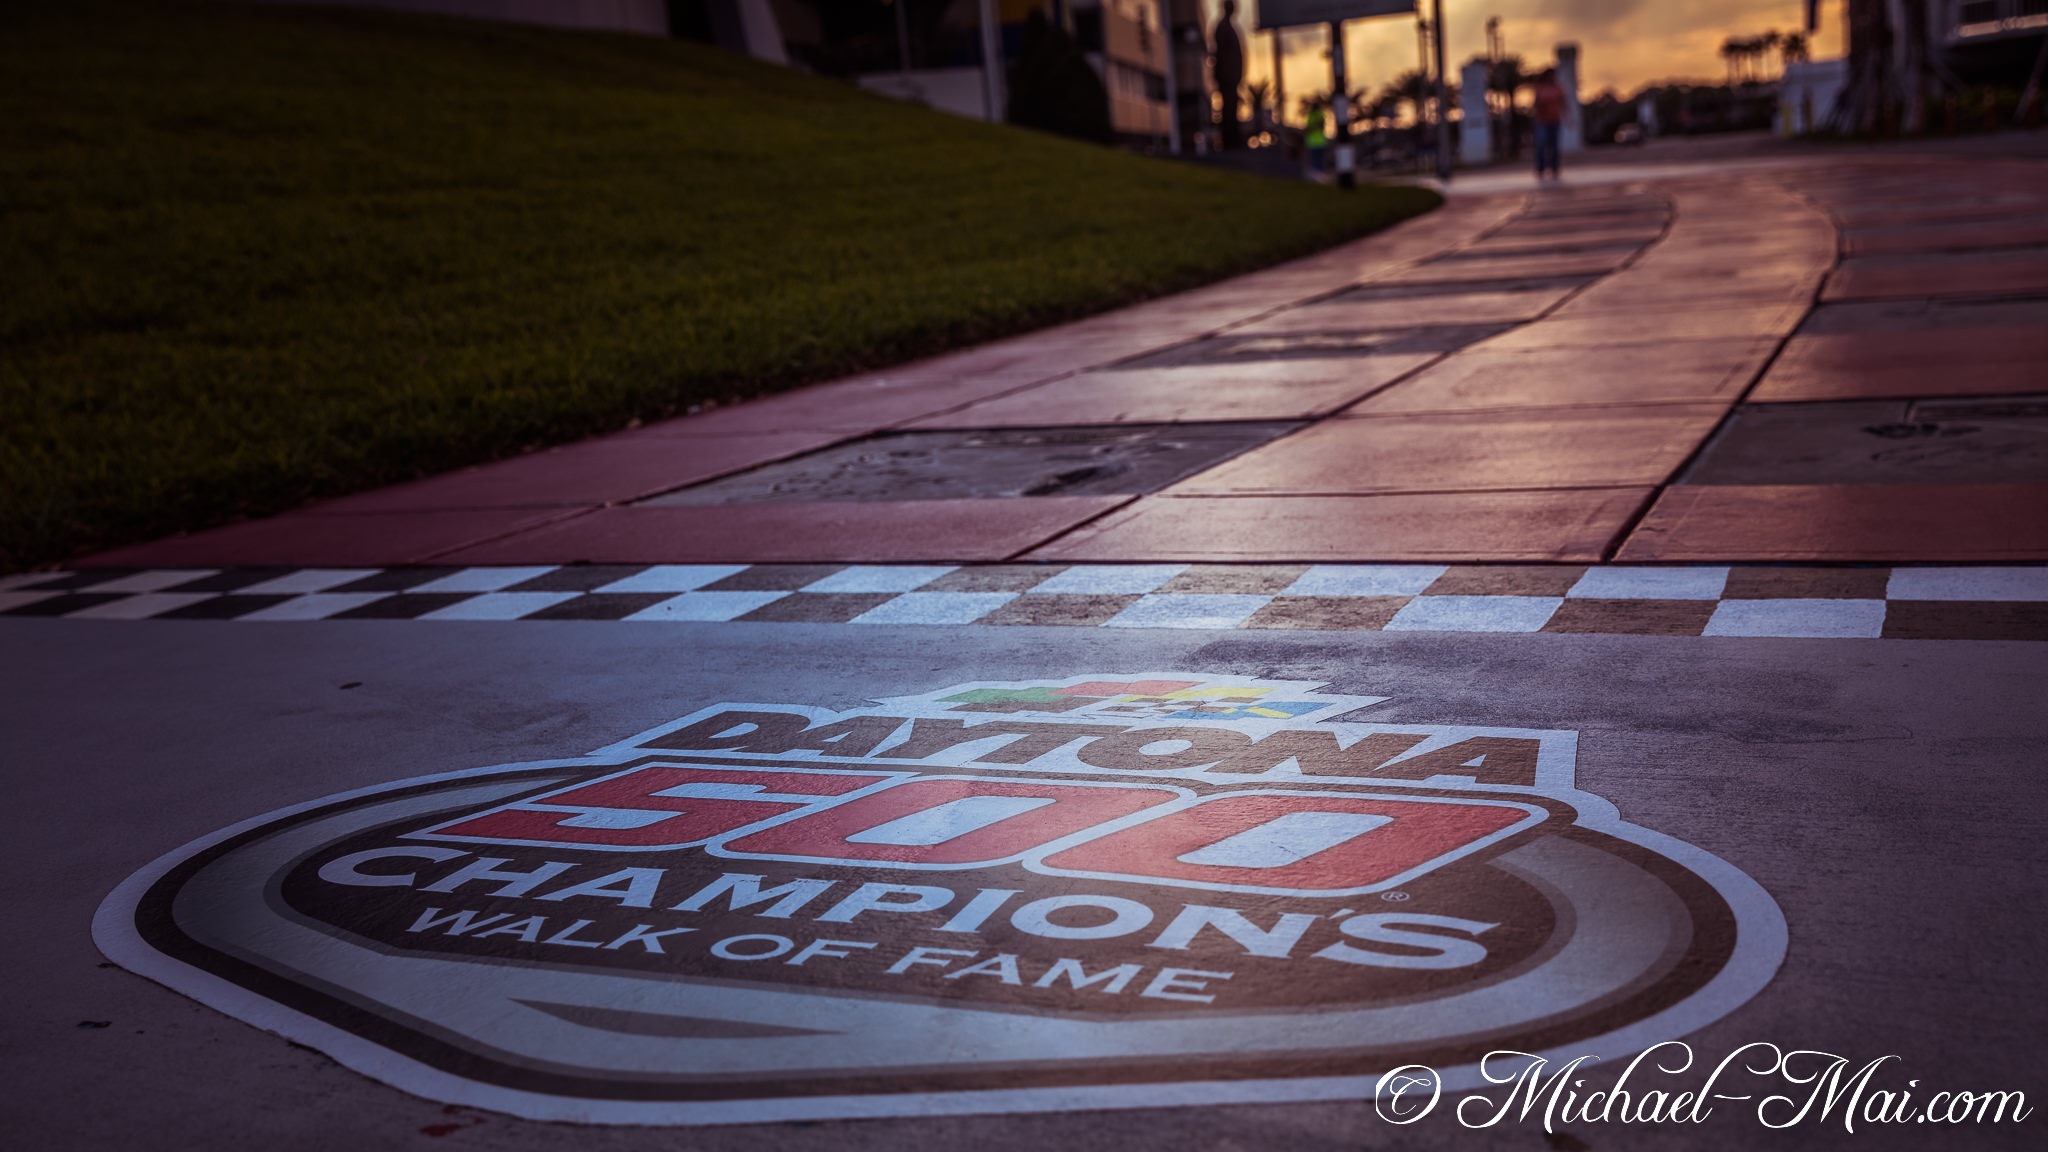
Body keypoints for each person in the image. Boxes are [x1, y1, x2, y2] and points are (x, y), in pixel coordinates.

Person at [1212, 0, 1245, 150]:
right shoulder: (1223, 28)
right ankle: (1229, 141)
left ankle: (1232, 139)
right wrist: (1221, 74)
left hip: (1231, 76)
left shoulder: (1228, 27)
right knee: (1228, 109)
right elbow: (1220, 54)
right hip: (1227, 76)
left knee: (1232, 107)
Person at [1530, 68, 1565, 179]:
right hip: (1541, 121)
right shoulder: (1540, 89)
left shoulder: (1558, 89)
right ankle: (1540, 168)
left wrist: (1568, 118)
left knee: (1554, 144)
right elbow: (1535, 104)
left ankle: (1554, 167)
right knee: (1542, 143)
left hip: (1555, 120)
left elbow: (1563, 103)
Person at [1304, 102, 1327, 177]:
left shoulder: (1319, 114)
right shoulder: (1311, 115)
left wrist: (1314, 126)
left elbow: (1321, 126)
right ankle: (1315, 174)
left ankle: (1320, 174)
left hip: (1319, 142)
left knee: (1319, 159)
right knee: (1314, 159)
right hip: (1312, 142)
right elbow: (1309, 128)